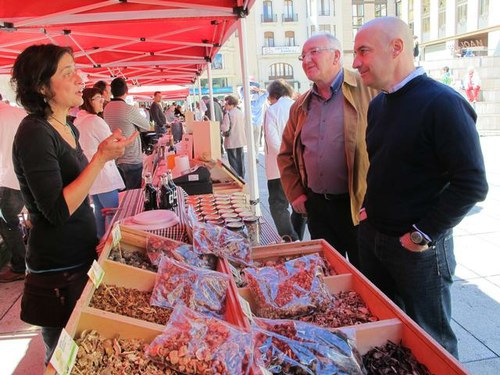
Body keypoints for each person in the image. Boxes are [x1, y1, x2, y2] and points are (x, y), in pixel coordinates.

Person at [352, 17, 488, 358]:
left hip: (418, 252)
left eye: (363, 51)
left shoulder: (443, 103)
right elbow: (380, 166)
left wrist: (421, 234)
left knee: (432, 342)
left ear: (396, 48)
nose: (355, 62)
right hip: (375, 238)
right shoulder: (379, 104)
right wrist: (368, 211)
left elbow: (471, 184)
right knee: (384, 333)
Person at [10, 44, 137, 365]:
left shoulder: (66, 127)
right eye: (67, 73)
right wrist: (101, 158)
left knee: (88, 350)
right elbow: (55, 210)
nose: (80, 78)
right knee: (64, 359)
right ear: (41, 87)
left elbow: (78, 192)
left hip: (78, 254)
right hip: (56, 270)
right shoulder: (34, 133)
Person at [277, 33, 376, 268]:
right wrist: (296, 194)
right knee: (329, 273)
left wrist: (377, 203)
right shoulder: (300, 105)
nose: (306, 60)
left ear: (336, 56)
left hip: (357, 206)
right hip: (318, 207)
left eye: (314, 52)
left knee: (366, 276)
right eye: (303, 55)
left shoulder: (368, 90)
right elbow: (285, 155)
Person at [74, 88, 125, 239]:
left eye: (102, 98)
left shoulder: (78, 120)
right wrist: (119, 138)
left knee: (99, 210)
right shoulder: (94, 120)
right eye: (98, 98)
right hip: (103, 173)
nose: (102, 101)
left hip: (90, 172)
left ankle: (99, 242)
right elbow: (112, 143)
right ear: (88, 101)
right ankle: (108, 247)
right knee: (112, 212)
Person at [263, 80, 305, 241]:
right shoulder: (298, 106)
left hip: (278, 167)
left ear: (273, 95)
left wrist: (286, 158)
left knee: (278, 204)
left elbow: (273, 142)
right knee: (299, 204)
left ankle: (290, 239)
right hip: (300, 165)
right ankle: (297, 237)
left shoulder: (272, 110)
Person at [103, 77, 151, 189]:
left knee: (123, 195)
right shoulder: (129, 109)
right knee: (133, 195)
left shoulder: (106, 108)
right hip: (131, 158)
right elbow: (146, 126)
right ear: (126, 91)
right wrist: (137, 129)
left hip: (115, 157)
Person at [0, 94, 27, 282]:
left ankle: (19, 265)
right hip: (25, 176)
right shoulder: (20, 113)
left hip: (8, 179)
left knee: (7, 222)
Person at [239, 78, 269, 156]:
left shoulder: (245, 99)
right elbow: (267, 93)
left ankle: (252, 156)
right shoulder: (260, 100)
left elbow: (239, 89)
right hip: (258, 124)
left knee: (250, 142)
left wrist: (248, 87)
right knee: (256, 142)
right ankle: (256, 156)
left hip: (249, 124)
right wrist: (259, 89)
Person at [221, 95, 246, 179]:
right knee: (240, 159)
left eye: (226, 104)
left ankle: (236, 177)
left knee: (233, 160)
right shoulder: (240, 112)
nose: (225, 106)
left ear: (232, 104)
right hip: (240, 139)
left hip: (231, 140)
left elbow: (225, 128)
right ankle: (242, 176)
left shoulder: (228, 114)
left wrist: (220, 127)